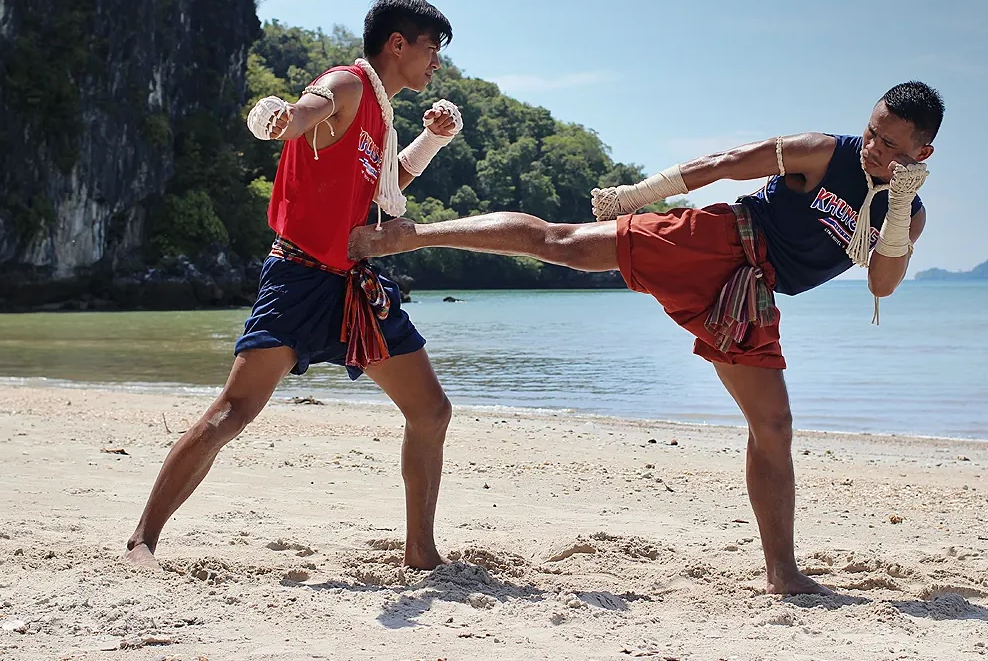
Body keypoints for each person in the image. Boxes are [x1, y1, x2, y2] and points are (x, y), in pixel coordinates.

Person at [348, 81, 944, 594]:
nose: (873, 148)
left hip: (749, 295)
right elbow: (727, 163)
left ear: (923, 152)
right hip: (718, 240)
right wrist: (638, 197)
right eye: (871, 132)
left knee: (774, 426)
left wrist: (896, 205)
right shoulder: (824, 152)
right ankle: (414, 235)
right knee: (561, 244)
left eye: (891, 145)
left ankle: (781, 572)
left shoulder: (908, 213)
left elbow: (882, 284)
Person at [126, 0, 464, 571]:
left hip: (353, 287)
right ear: (398, 44)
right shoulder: (349, 85)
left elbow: (387, 188)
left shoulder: (383, 117)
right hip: (299, 278)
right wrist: (283, 119)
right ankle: (142, 542)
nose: (437, 63)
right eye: (433, 49)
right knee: (231, 414)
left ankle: (420, 552)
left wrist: (432, 139)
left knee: (431, 411)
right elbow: (309, 109)